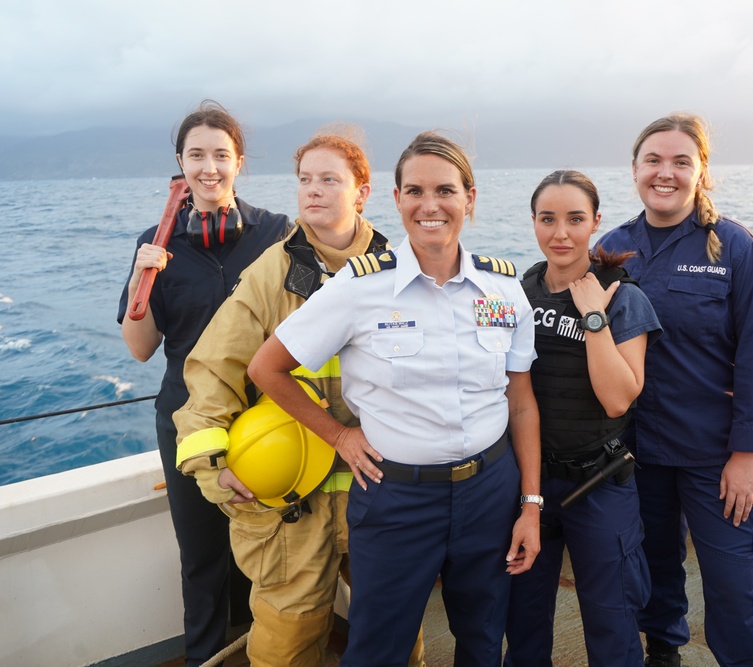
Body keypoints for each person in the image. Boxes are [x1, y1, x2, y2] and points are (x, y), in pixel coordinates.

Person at [247, 131, 543, 667]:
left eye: (446, 190)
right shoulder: (359, 287)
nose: (430, 206)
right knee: (377, 649)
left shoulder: (503, 290)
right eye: (415, 191)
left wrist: (530, 503)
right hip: (396, 500)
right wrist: (337, 434)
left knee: (483, 638)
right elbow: (267, 368)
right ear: (398, 199)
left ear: (469, 198)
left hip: (489, 493)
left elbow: (520, 402)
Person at [172, 129, 425, 667]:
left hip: (380, 491)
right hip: (292, 506)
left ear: (362, 191)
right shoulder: (270, 274)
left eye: (330, 179)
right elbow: (213, 370)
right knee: (287, 639)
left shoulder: (405, 271)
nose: (313, 190)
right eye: (305, 180)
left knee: (396, 631)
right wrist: (211, 466)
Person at [598, 113, 753, 667]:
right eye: (653, 161)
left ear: (701, 172)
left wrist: (747, 454)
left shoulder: (736, 250)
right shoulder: (612, 250)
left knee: (735, 587)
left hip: (717, 455)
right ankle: (665, 652)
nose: (666, 173)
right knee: (652, 571)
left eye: (681, 162)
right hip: (639, 455)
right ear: (634, 170)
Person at [118, 100, 291, 667]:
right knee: (202, 557)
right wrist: (146, 275)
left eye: (221, 154)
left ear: (239, 162)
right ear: (180, 164)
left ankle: (269, 650)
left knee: (272, 548)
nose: (209, 167)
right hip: (187, 421)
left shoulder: (276, 234)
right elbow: (140, 349)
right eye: (197, 155)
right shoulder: (156, 242)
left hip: (266, 417)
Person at [504, 170, 661, 666]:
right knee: (523, 620)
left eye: (575, 219)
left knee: (612, 623)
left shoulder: (622, 298)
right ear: (533, 222)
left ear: (596, 222)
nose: (561, 233)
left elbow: (618, 399)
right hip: (528, 483)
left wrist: (593, 316)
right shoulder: (517, 293)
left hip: (598, 483)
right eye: (547, 219)